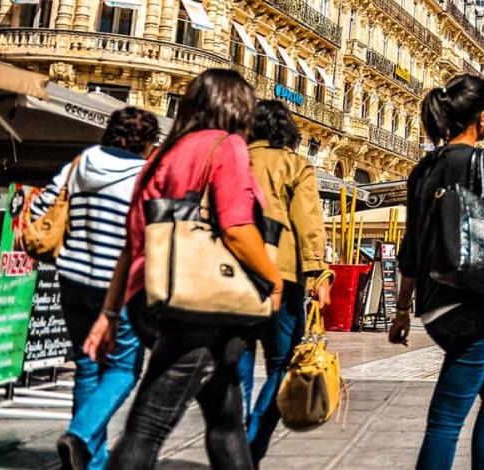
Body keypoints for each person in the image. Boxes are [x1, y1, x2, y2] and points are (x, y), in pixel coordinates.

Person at [82, 69, 282, 470]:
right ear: (236, 107)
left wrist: (109, 313)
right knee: (148, 427)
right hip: (199, 307)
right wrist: (274, 282)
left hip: (152, 300)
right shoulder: (225, 147)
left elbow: (131, 245)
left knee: (226, 421)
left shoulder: (161, 156)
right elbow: (237, 228)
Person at [388, 74, 484, 469]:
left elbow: (412, 248)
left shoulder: (423, 169)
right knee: (445, 419)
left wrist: (403, 310)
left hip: (434, 307)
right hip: (472, 306)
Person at [30, 107, 158, 470]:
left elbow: (42, 205)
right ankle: (81, 434)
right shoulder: (143, 174)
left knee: (87, 367)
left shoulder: (81, 162)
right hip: (118, 286)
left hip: (71, 277)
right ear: (147, 142)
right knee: (122, 369)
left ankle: (92, 462)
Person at [238, 100, 330, 465]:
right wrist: (318, 273)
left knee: (238, 362)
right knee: (282, 365)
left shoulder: (234, 162)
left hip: (234, 276)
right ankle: (251, 445)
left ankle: (233, 437)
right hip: (284, 276)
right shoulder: (295, 165)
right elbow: (308, 223)